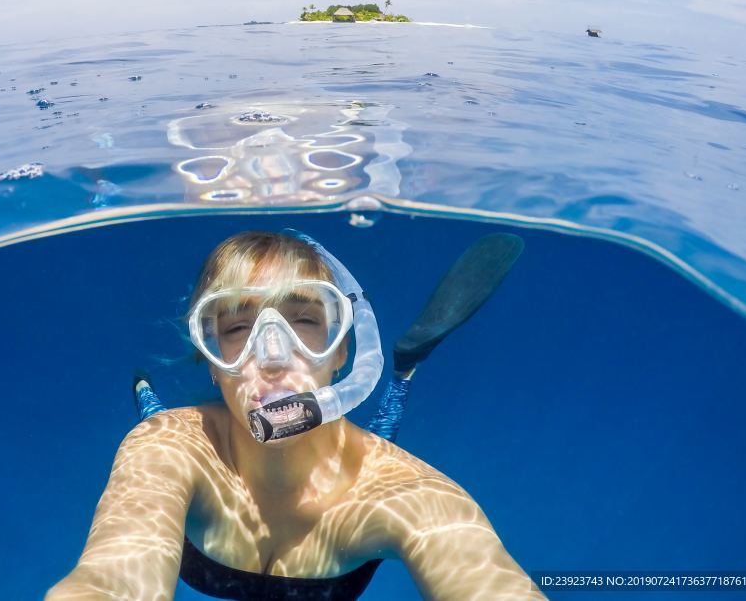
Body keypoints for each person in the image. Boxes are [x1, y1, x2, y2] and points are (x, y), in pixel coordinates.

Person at [46, 230, 545, 600]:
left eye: (305, 321)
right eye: (238, 327)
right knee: (153, 418)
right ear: (212, 362)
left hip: (362, 459)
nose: (272, 358)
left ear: (344, 353)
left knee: (385, 428)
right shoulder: (168, 448)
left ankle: (404, 370)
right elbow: (106, 581)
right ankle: (145, 391)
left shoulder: (407, 494)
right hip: (188, 430)